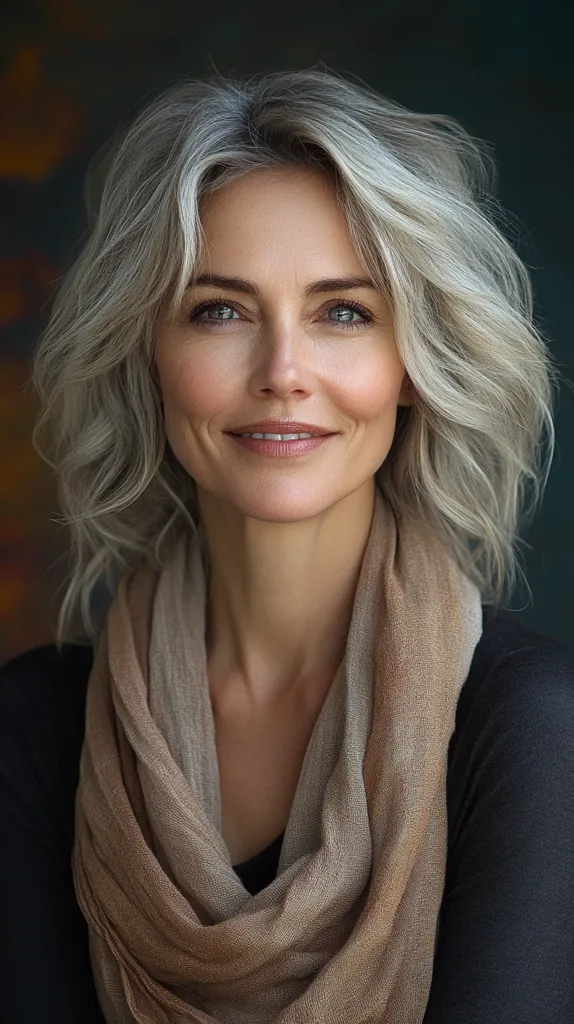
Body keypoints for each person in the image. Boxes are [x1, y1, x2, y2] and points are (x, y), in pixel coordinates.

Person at [1, 64, 573, 1024]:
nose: (283, 372)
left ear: (413, 367)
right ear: (149, 355)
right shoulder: (31, 732)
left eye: (342, 312)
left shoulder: (530, 731)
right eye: (219, 309)